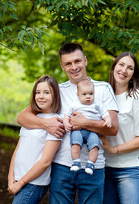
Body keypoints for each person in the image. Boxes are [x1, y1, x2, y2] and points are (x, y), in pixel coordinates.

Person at [17, 43, 119, 204]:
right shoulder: (57, 90)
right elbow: (22, 117)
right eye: (68, 63)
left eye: (77, 61)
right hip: (62, 166)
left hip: (93, 167)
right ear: (62, 66)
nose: (74, 67)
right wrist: (46, 124)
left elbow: (113, 128)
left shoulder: (103, 88)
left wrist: (84, 123)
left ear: (85, 60)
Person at [100, 52, 139, 204]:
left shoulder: (137, 98)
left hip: (130, 170)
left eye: (130, 68)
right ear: (114, 67)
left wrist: (115, 149)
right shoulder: (102, 96)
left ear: (134, 74)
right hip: (104, 168)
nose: (124, 70)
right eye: (121, 65)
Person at [7, 75, 62, 204]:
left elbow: (46, 161)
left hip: (34, 183)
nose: (41, 96)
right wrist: (11, 177)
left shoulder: (56, 122)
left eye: (46, 92)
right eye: (38, 92)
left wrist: (21, 183)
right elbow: (17, 150)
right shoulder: (31, 118)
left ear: (55, 96)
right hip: (18, 179)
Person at [63, 79, 111, 175]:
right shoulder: (75, 104)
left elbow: (105, 114)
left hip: (92, 132)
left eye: (91, 94)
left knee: (95, 146)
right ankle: (76, 161)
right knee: (75, 144)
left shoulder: (97, 104)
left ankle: (90, 164)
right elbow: (66, 115)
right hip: (78, 131)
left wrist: (108, 120)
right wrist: (66, 123)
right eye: (84, 94)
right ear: (78, 95)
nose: (88, 97)